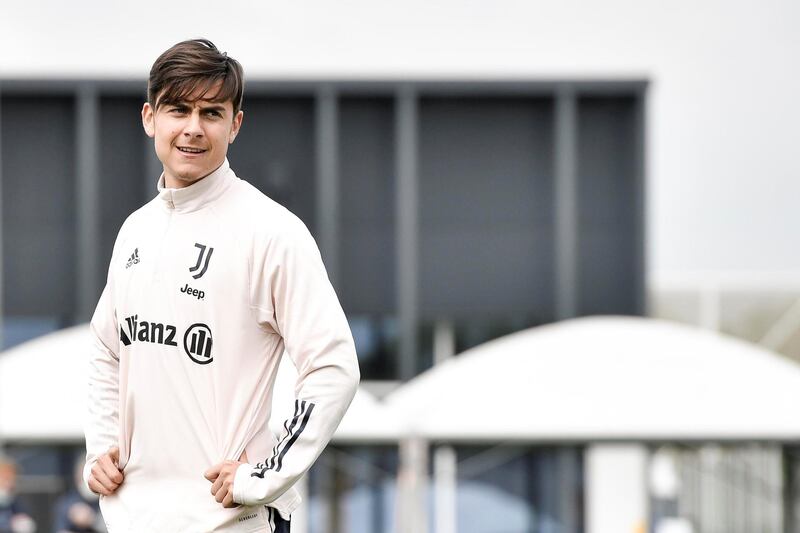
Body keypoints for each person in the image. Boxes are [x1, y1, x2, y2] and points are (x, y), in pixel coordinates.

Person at [83, 39, 360, 532]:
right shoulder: (136, 231)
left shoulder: (271, 232)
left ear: (235, 124)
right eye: (178, 109)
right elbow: (107, 349)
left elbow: (333, 366)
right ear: (150, 118)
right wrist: (101, 446)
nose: (193, 128)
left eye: (211, 112)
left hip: (232, 523)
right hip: (134, 520)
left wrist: (265, 476)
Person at [52, 457, 105, 533]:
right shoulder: (66, 503)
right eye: (83, 475)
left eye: (92, 475)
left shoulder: (109, 499)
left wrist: (93, 519)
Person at [0, 456, 36, 533]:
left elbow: (24, 521)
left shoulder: (17, 501)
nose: (9, 482)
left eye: (12, 478)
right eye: (5, 478)